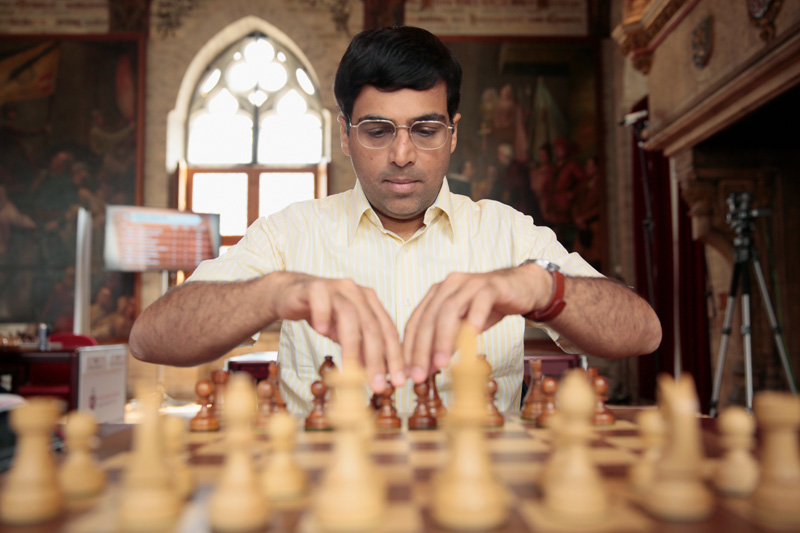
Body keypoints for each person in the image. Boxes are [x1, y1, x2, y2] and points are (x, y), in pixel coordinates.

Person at [129, 26, 661, 414]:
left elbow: (644, 331)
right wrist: (271, 293)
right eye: (378, 131)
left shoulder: (509, 232)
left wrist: (543, 286)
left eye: (425, 130)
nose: (403, 155)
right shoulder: (287, 233)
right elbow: (150, 339)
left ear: (453, 133)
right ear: (344, 134)